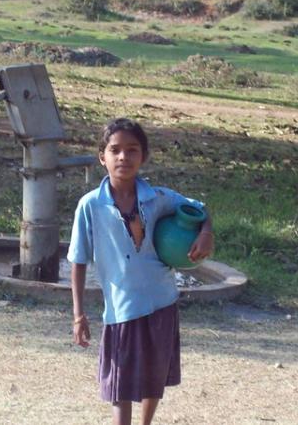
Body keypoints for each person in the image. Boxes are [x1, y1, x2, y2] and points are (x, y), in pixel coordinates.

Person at [68, 118, 214, 425]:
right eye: (115, 150)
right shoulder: (90, 206)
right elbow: (78, 260)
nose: (124, 157)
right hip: (121, 308)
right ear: (102, 157)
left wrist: (206, 232)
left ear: (143, 156)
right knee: (119, 385)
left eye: (132, 150)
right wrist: (79, 315)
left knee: (154, 375)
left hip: (161, 301)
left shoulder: (158, 198)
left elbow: (199, 209)